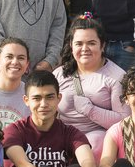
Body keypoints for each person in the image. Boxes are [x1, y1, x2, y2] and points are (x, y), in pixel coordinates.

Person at [54, 15, 129, 151]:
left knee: (94, 143)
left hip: (97, 139)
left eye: (91, 43)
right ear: (71, 46)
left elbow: (125, 121)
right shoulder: (59, 74)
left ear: (102, 45)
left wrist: (90, 110)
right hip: (63, 134)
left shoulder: (117, 77)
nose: (85, 48)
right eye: (79, 43)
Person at [0, 37, 31, 130]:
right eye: (9, 57)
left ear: (27, 64)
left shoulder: (31, 93)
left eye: (21, 58)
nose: (15, 62)